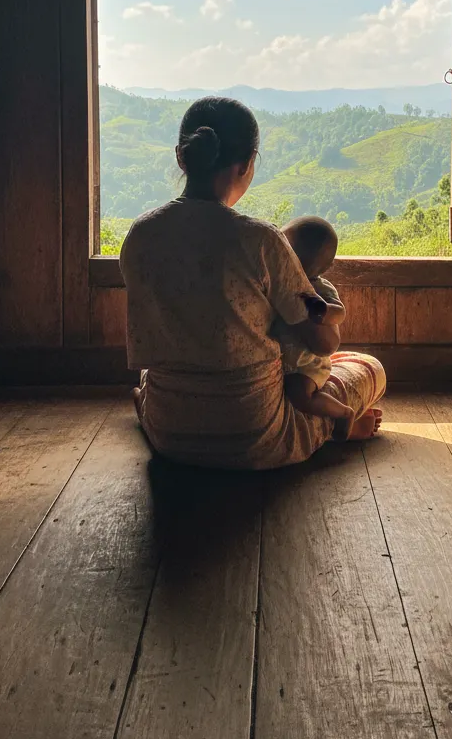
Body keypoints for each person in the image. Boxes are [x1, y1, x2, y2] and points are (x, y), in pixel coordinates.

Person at [120, 96, 385, 470]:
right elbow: (318, 339)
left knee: (157, 373)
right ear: (246, 165)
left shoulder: (140, 235)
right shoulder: (261, 240)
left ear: (182, 157)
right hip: (257, 437)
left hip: (170, 433)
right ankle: (333, 427)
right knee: (366, 365)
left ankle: (146, 406)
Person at [274, 216, 360, 436]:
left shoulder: (320, 288)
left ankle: (343, 413)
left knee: (301, 397)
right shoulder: (281, 280)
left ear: (324, 267)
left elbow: (339, 311)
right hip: (288, 358)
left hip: (307, 363)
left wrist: (321, 311)